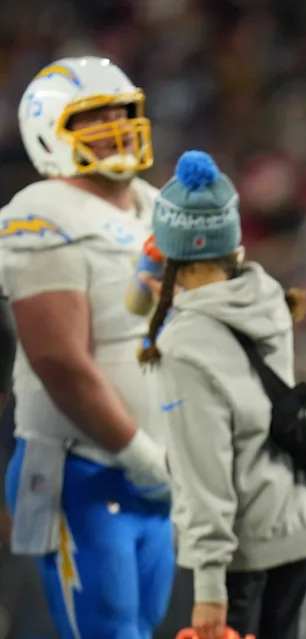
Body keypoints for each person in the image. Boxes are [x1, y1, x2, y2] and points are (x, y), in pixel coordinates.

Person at [1, 56, 174, 638]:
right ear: (51, 132)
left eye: (123, 113)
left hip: (158, 471)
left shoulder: (156, 204)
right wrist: (139, 453)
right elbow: (58, 360)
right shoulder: (39, 214)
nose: (119, 128)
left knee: (142, 626)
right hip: (83, 466)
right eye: (95, 119)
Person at [141, 150, 306, 639]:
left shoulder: (184, 343)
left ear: (166, 245)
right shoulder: (265, 294)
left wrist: (208, 590)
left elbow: (206, 474)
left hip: (238, 559)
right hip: (297, 531)